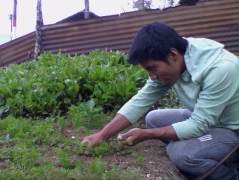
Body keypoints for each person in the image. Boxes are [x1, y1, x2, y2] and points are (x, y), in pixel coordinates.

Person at [81, 22, 239, 179]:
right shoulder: (178, 53)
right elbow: (140, 101)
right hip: (210, 120)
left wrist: (148, 134)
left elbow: (198, 125)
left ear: (173, 55)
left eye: (152, 68)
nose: (152, 76)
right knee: (154, 119)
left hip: (233, 131)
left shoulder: (220, 69)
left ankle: (230, 174)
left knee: (181, 153)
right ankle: (202, 155)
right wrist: (102, 135)